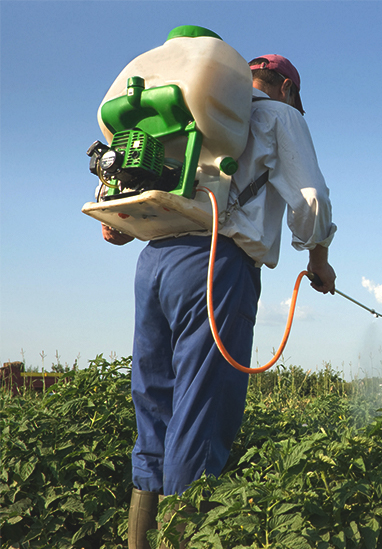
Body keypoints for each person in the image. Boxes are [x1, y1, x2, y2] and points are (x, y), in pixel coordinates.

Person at [104, 54, 337, 549]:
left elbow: (124, 205)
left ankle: (139, 541)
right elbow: (309, 198)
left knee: (154, 404)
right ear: (289, 89)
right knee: (201, 413)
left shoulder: (190, 108)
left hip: (154, 262)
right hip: (215, 264)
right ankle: (180, 541)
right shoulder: (279, 114)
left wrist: (122, 223)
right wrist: (318, 258)